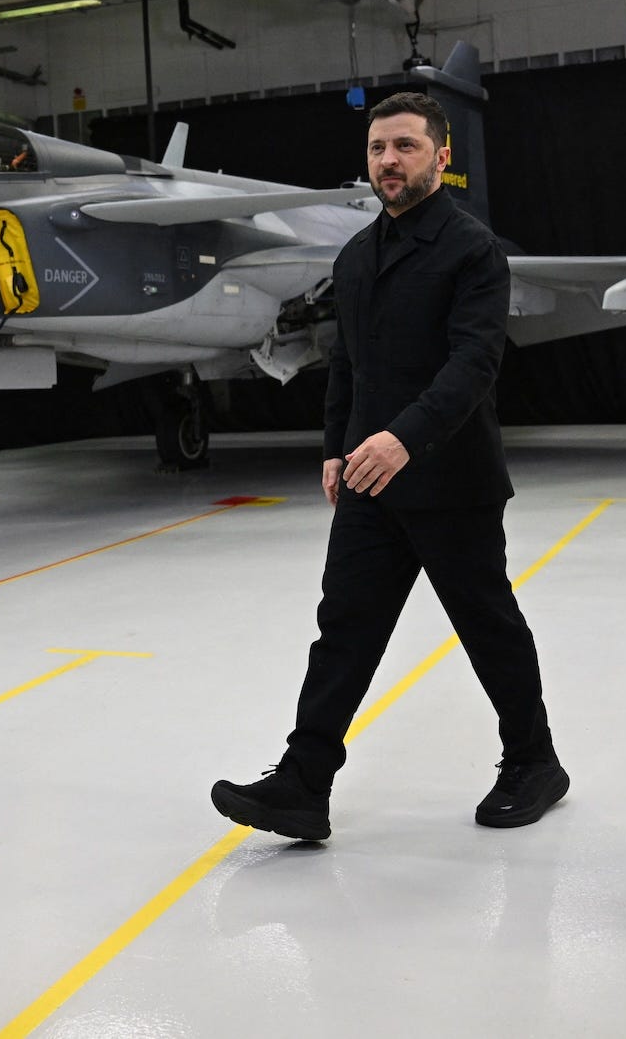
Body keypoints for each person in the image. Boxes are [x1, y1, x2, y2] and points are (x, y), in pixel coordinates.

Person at [211, 91, 568, 841]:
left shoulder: (473, 251)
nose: (388, 161)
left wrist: (402, 438)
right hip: (371, 480)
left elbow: (474, 363)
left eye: (405, 146)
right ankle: (304, 783)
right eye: (378, 149)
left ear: (441, 156)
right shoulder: (356, 255)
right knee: (343, 627)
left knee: (486, 624)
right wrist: (336, 445)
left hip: (452, 480)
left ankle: (534, 761)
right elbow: (350, 361)